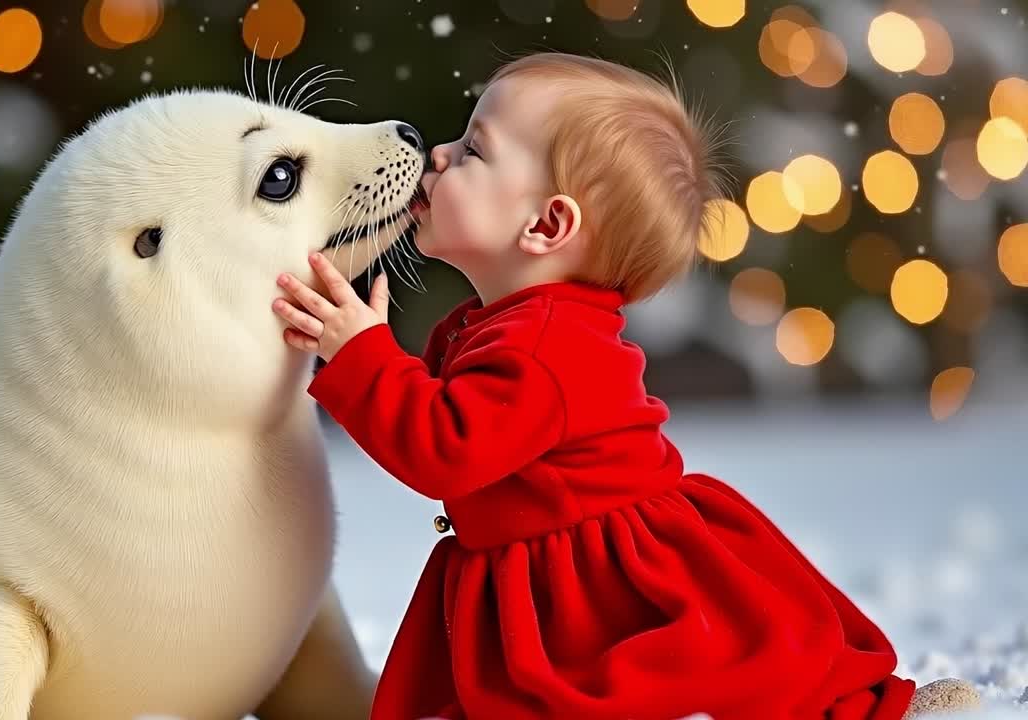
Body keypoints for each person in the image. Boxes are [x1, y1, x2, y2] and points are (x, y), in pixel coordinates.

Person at [270, 52, 973, 720]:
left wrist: (361, 355)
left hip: (595, 591)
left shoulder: (544, 346)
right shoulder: (516, 324)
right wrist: (370, 355)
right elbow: (448, 417)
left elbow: (446, 448)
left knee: (674, 684)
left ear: (547, 224)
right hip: (537, 565)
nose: (440, 155)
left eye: (475, 150)